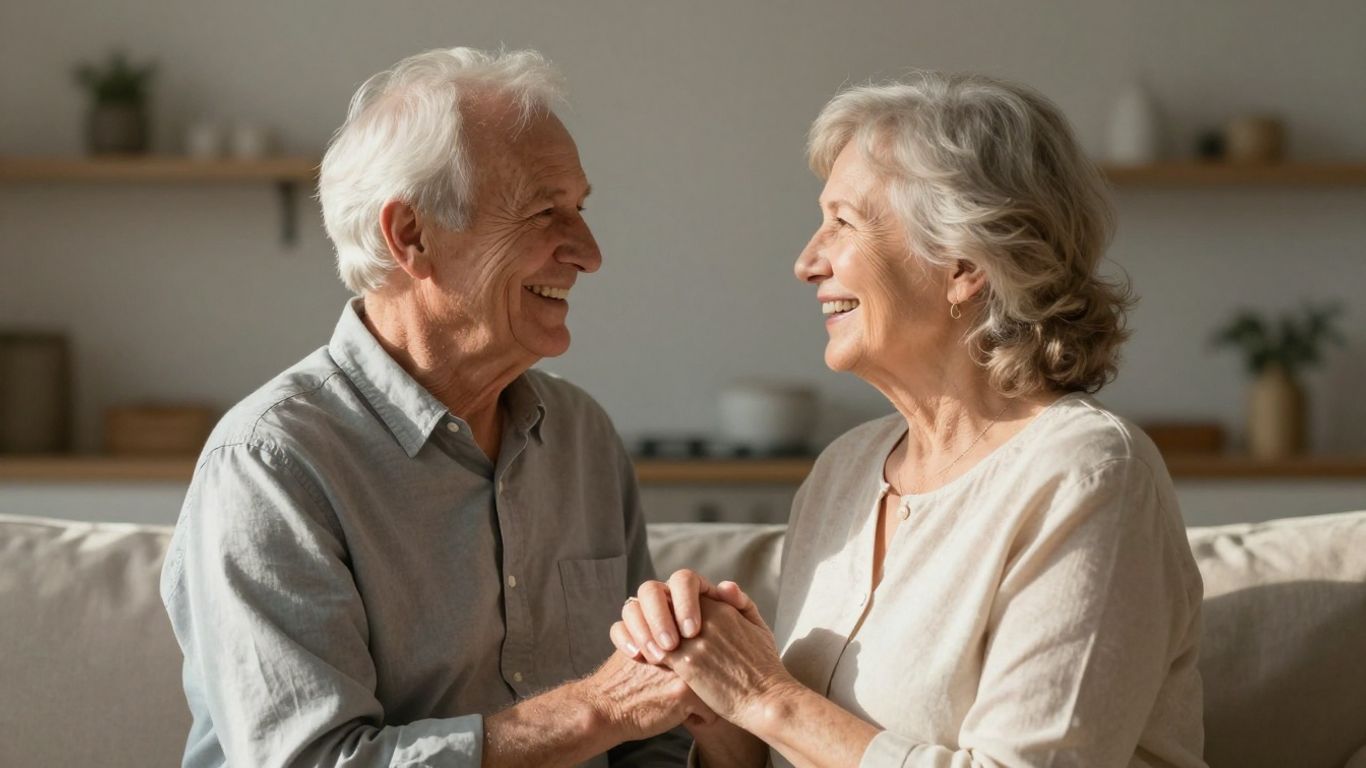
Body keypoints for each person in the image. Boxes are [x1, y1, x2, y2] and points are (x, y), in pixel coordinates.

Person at [613, 72, 1208, 767]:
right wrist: (710, 688)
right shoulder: (845, 470)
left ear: (962, 264)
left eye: (843, 222)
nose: (807, 261)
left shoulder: (1089, 474)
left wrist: (764, 697)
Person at [160, 47, 706, 768]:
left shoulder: (582, 440)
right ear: (411, 236)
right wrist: (595, 709)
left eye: (581, 208)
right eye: (546, 211)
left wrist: (724, 728)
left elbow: (649, 745)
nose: (588, 252)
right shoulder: (271, 463)